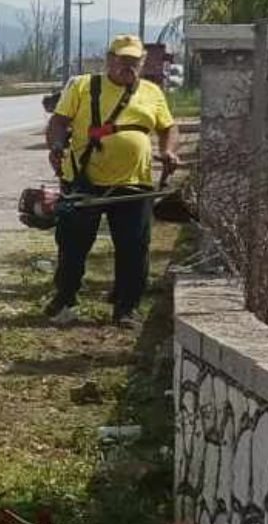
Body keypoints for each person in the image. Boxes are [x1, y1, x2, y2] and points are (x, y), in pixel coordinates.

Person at [42, 34, 182, 329]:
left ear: (142, 63)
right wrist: (56, 147)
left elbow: (168, 127)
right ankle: (65, 299)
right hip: (84, 180)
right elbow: (58, 122)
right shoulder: (82, 86)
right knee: (73, 245)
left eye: (134, 62)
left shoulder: (152, 93)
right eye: (122, 61)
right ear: (109, 60)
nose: (128, 67)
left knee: (134, 247)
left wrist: (167, 151)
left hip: (135, 184)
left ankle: (126, 309)